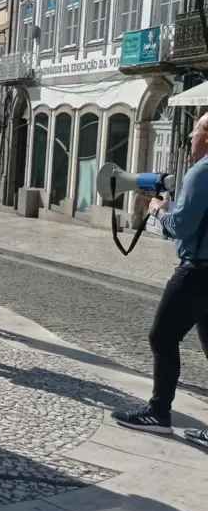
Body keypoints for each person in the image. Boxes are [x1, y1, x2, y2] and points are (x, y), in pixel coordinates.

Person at [111, 111, 208, 445]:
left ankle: (158, 413)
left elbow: (182, 226)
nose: (190, 137)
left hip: (197, 271)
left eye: (195, 130)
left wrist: (158, 210)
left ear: (206, 136)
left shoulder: (202, 172)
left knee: (162, 338)